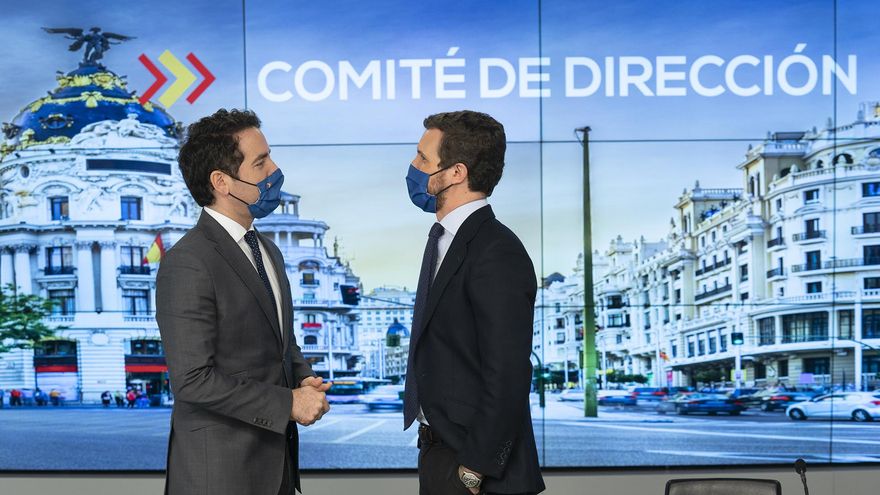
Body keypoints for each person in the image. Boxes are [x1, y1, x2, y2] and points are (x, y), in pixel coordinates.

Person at [157, 108, 329, 495]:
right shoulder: (188, 261)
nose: (275, 170)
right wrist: (288, 403)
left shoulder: (268, 249)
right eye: (261, 162)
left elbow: (279, 340)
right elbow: (192, 381)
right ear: (221, 181)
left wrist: (302, 376)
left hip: (276, 467)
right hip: (218, 473)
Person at [403, 111, 545, 495]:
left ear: (456, 172)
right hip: (439, 450)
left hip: (475, 471)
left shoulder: (496, 250)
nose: (412, 167)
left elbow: (509, 372)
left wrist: (473, 470)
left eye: (422, 158)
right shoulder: (446, 240)